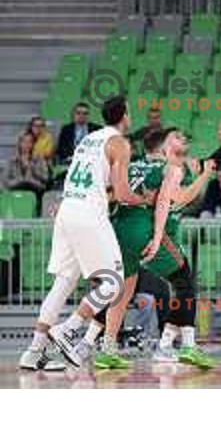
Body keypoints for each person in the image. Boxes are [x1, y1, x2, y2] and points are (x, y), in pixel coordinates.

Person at [76, 125, 221, 370]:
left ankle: (91, 341)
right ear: (164, 147)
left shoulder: (139, 165)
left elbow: (210, 163)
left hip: (119, 230)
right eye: (176, 136)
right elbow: (181, 198)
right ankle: (182, 345)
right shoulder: (170, 169)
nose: (182, 138)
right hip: (153, 234)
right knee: (184, 282)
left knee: (121, 290)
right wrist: (203, 177)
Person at [18, 96, 149, 371]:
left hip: (68, 207)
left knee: (64, 282)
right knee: (114, 282)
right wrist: (146, 199)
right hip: (89, 214)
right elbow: (123, 193)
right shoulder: (120, 143)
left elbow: (102, 185)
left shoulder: (89, 139)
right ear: (125, 115)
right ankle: (69, 328)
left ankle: (34, 351)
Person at [3, 132, 50, 203]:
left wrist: (34, 170)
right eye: (24, 141)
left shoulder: (40, 160)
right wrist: (20, 181)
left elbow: (45, 178)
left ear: (33, 144)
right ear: (19, 143)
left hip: (34, 190)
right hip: (15, 190)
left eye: (29, 142)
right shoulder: (11, 160)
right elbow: (5, 180)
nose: (27, 144)